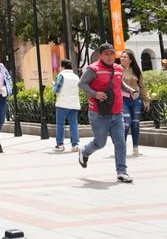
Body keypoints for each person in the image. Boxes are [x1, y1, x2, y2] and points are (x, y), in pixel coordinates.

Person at [78, 43, 132, 183]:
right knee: (100, 143)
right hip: (98, 113)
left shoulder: (118, 68)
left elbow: (119, 83)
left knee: (120, 142)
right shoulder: (93, 69)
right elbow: (82, 84)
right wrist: (94, 94)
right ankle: (84, 152)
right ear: (100, 55)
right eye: (106, 54)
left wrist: (130, 90)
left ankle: (122, 171)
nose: (109, 57)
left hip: (117, 112)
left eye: (111, 54)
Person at [120, 50, 146, 157]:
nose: (122, 58)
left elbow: (142, 86)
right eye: (121, 57)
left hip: (136, 100)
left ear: (130, 60)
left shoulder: (136, 70)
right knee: (126, 123)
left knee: (135, 123)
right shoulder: (117, 70)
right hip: (123, 100)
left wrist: (146, 99)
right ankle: (122, 146)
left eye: (125, 57)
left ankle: (136, 148)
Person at [52, 59, 80, 152]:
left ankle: (60, 144)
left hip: (62, 104)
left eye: (60, 66)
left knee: (60, 124)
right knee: (74, 124)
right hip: (74, 103)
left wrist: (53, 85)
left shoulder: (61, 76)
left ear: (63, 67)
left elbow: (56, 90)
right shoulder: (76, 77)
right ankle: (75, 144)